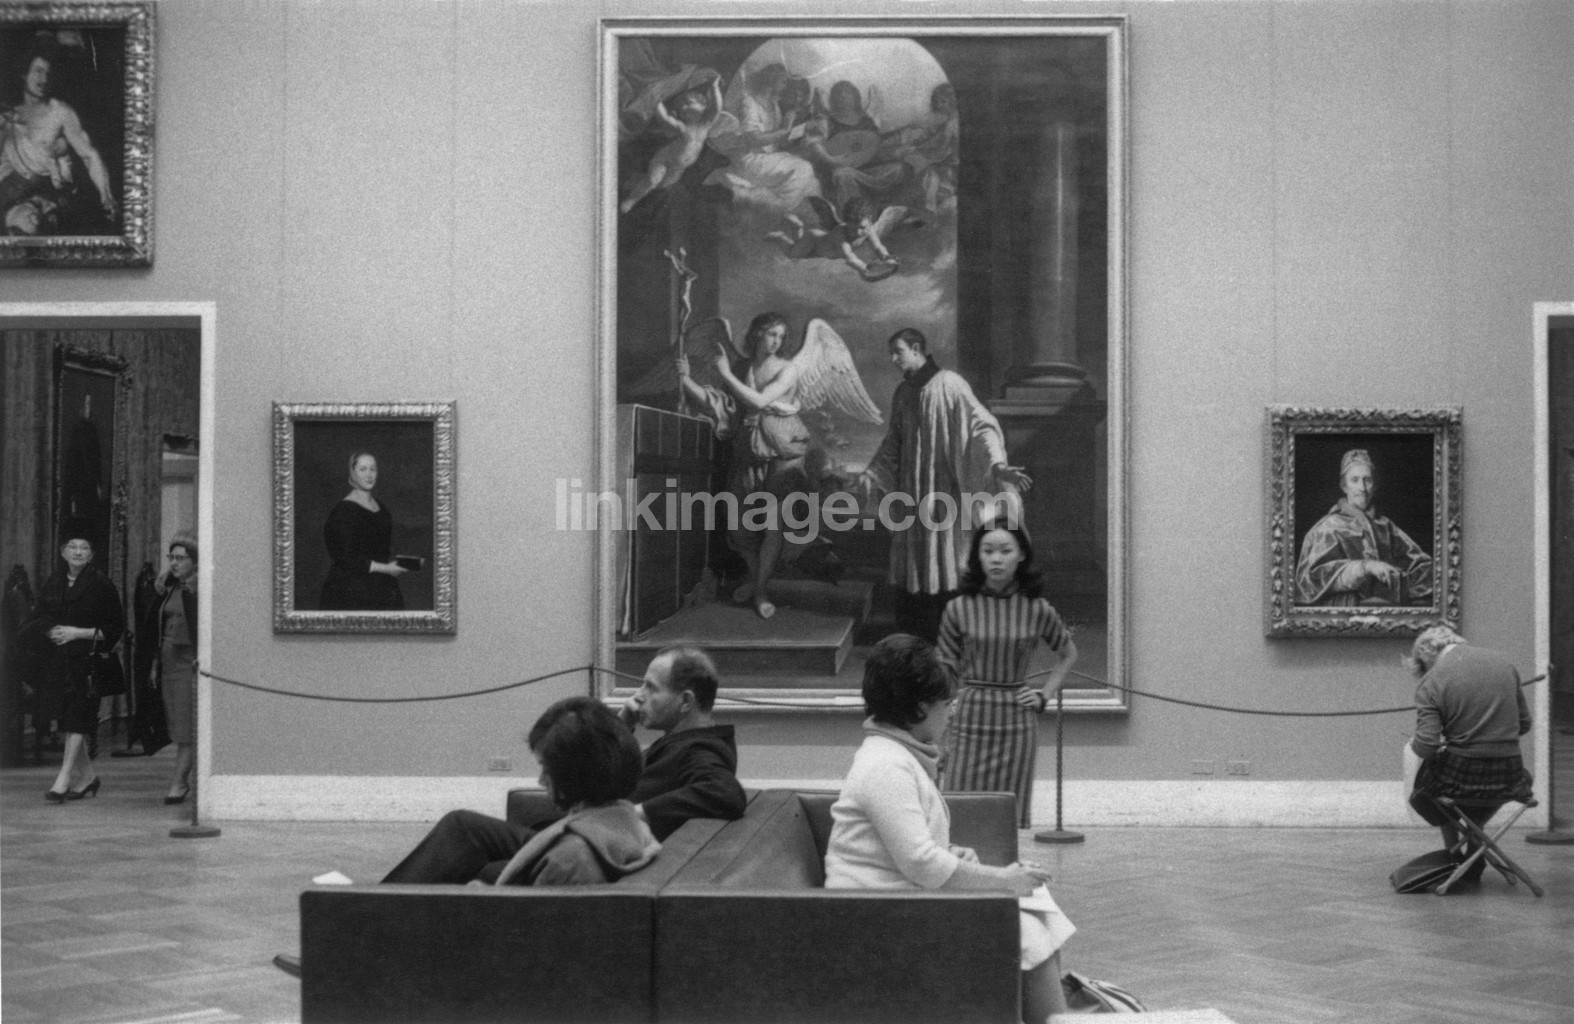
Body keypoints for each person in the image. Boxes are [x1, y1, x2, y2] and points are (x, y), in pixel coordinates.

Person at [272, 646, 744, 977]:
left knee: (464, 833)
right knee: (464, 835)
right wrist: (616, 732)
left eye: (651, 687)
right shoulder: (679, 740)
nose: (639, 695)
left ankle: (355, 938)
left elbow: (724, 793)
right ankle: (364, 933)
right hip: (583, 833)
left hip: (590, 840)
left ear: (686, 701)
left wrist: (637, 812)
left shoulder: (704, 749)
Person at [824, 634, 1074, 1022]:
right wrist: (1002, 879)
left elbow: (905, 848)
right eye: (947, 703)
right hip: (877, 920)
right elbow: (920, 863)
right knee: (1024, 929)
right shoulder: (885, 766)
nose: (953, 712)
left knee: (1035, 907)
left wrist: (953, 855)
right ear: (920, 708)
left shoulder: (895, 756)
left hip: (899, 903)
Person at [856, 328, 1031, 641]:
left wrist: (998, 465)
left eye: (898, 351)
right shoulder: (903, 393)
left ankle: (950, 634)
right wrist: (872, 472)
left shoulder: (950, 384)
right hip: (913, 493)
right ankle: (915, 632)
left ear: (916, 348)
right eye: (891, 353)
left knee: (948, 559)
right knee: (916, 562)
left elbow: (981, 426)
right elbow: (893, 441)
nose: (893, 359)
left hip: (944, 491)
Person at [939, 522, 1079, 829]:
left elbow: (1068, 654)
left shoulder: (1037, 609)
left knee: (1008, 817)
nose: (996, 559)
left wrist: (1043, 696)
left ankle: (1006, 862)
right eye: (988, 551)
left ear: (1021, 556)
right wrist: (940, 724)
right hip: (968, 717)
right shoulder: (957, 609)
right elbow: (944, 669)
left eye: (1005, 551)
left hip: (1017, 723)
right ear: (977, 556)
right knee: (956, 810)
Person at [678, 312, 811, 619]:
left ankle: (761, 591)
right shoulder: (742, 368)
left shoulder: (788, 368)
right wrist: (685, 379)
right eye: (771, 334)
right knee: (739, 529)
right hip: (748, 448)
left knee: (772, 524)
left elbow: (760, 402)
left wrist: (725, 374)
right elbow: (721, 406)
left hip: (783, 449)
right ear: (757, 334)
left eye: (780, 336)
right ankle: (756, 579)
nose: (776, 341)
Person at [1405, 626, 1533, 885]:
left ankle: (1453, 855)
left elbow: (1427, 746)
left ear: (1426, 656)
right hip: (1510, 777)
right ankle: (1475, 849)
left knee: (1428, 787)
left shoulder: (1432, 680)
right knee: (1478, 796)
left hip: (1463, 777)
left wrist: (1415, 743)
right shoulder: (1504, 664)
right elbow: (1524, 724)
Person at [22, 531, 124, 802]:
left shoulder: (102, 584)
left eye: (84, 547)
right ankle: (88, 778)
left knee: (77, 718)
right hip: (58, 664)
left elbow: (115, 628)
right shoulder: (54, 582)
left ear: (91, 555)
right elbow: (36, 617)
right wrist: (51, 630)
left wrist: (76, 633)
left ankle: (63, 779)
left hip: (87, 663)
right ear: (63, 552)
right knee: (67, 720)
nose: (78, 552)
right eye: (73, 547)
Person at [1294, 448, 1433, 607]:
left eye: (1367, 480)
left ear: (1375, 485)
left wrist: (1398, 585)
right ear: (1344, 486)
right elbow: (1309, 583)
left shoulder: (1385, 526)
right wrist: (1365, 568)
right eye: (1355, 480)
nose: (1362, 488)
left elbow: (1425, 566)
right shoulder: (1326, 529)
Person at [1, 48, 118, 233]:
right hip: (10, 195)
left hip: (48, 199)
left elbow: (90, 155)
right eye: (38, 71)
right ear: (24, 74)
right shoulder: (8, 115)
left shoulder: (60, 113)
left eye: (49, 73)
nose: (44, 79)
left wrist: (106, 195)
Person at [619, 74, 724, 214]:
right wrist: (656, 102)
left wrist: (714, 87)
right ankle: (630, 201)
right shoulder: (682, 128)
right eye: (682, 107)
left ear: (703, 106)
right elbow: (665, 118)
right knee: (652, 181)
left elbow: (716, 108)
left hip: (679, 167)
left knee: (662, 187)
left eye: (689, 103)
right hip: (664, 161)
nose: (684, 107)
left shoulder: (706, 124)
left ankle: (634, 185)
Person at [319, 451, 407, 611]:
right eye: (363, 469)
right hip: (350, 589)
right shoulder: (342, 512)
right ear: (352, 473)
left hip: (383, 587)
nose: (369, 475)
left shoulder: (382, 508)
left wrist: (395, 565)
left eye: (373, 469)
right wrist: (387, 568)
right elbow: (345, 559)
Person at [151, 534, 199, 804]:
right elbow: (158, 627)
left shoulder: (197, 588)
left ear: (195, 561)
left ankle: (179, 782)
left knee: (186, 727)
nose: (174, 563)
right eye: (172, 557)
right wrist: (155, 664)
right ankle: (180, 780)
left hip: (187, 661)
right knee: (175, 724)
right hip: (168, 662)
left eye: (181, 558)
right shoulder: (170, 588)